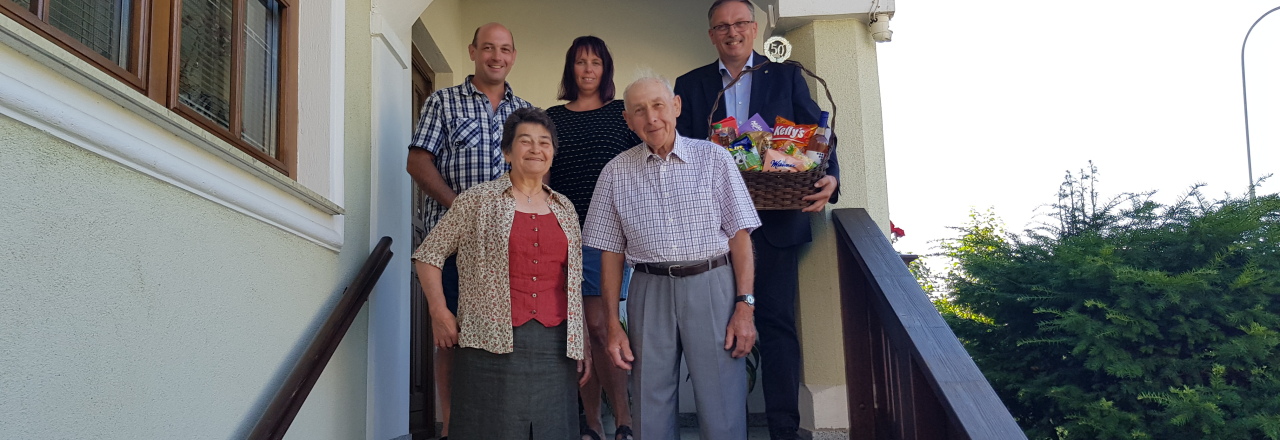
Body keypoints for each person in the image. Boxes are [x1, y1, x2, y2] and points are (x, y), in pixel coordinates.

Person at [672, 1, 841, 439]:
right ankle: (725, 427)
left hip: (777, 221)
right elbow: (682, 152)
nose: (732, 32)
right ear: (711, 34)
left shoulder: (785, 75)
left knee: (777, 324)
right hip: (712, 229)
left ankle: (784, 429)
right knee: (714, 329)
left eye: (741, 23)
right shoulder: (690, 86)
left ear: (756, 27)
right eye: (722, 26)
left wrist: (832, 178)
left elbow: (817, 133)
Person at [583, 75, 761, 440]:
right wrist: (614, 326)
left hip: (712, 285)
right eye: (639, 111)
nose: (651, 118)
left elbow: (740, 238)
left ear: (676, 106)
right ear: (628, 121)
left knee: (722, 401)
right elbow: (610, 253)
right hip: (648, 289)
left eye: (658, 105)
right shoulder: (615, 172)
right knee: (650, 401)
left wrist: (745, 306)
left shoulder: (714, 159)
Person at [412, 107, 590, 439]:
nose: (536, 149)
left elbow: (573, 281)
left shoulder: (566, 208)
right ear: (507, 151)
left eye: (544, 142)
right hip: (488, 342)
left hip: (556, 345)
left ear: (552, 153)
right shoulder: (476, 201)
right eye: (525, 141)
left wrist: (584, 345)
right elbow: (429, 255)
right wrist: (439, 312)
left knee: (552, 429)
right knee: (489, 427)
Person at [405, 22, 532, 440]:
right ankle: (450, 426)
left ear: (513, 56)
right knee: (452, 337)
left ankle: (499, 423)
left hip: (511, 244)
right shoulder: (443, 101)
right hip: (457, 243)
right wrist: (461, 208)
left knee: (508, 333)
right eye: (489, 48)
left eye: (505, 50)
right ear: (473, 51)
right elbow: (418, 162)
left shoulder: (525, 113)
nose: (497, 56)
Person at [545, 35, 638, 440]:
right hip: (568, 233)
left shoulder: (621, 114)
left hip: (612, 238)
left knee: (603, 328)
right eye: (580, 62)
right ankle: (594, 424)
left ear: (606, 69)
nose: (587, 70)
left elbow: (644, 164)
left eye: (595, 63)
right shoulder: (553, 118)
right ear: (571, 69)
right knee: (581, 334)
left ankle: (623, 419)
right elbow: (544, 176)